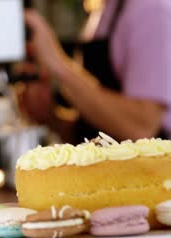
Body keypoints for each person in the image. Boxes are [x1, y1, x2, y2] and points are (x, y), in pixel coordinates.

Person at [20, 0, 171, 143]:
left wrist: (58, 65)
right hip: (110, 167)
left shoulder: (150, 9)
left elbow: (142, 127)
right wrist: (51, 118)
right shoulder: (104, 10)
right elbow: (96, 135)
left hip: (144, 170)